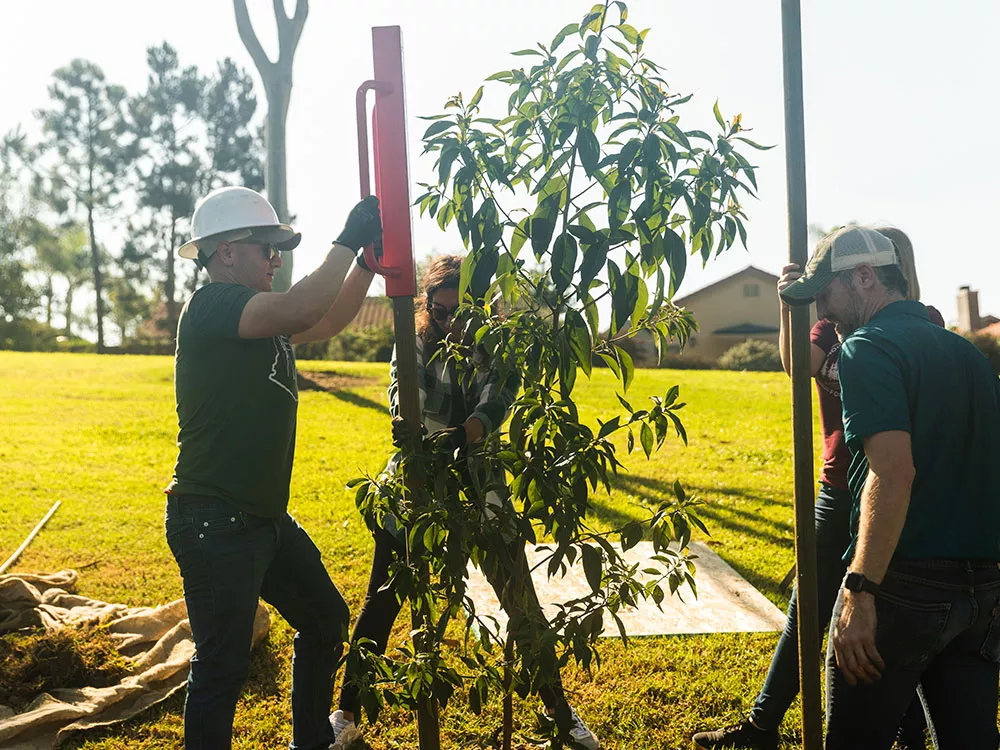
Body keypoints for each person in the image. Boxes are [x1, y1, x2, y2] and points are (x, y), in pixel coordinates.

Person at [328, 255, 600, 750]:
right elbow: (401, 394)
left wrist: (466, 432)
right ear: (429, 305)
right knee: (384, 598)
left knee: (521, 602)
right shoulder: (412, 341)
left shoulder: (499, 349)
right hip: (417, 489)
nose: (453, 322)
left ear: (484, 307)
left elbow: (496, 403)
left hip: (483, 488)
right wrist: (414, 428)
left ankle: (562, 716)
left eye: (464, 312)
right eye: (442, 310)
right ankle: (344, 713)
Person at [693, 227, 944, 750]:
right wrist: (793, 305)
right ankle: (764, 724)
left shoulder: (923, 324)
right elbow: (796, 367)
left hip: (893, 483)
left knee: (901, 605)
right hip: (838, 485)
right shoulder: (831, 325)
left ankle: (910, 729)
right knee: (810, 605)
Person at [165, 185, 383, 750]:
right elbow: (303, 306)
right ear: (227, 252)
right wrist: (345, 240)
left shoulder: (264, 319)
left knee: (325, 619)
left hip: (261, 518)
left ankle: (310, 742)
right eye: (268, 249)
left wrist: (364, 262)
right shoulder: (211, 305)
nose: (277, 260)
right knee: (223, 666)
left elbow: (328, 319)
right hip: (212, 519)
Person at [780, 225, 1000, 749]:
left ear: (864, 276)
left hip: (902, 589)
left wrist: (860, 590)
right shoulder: (968, 354)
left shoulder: (868, 348)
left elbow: (892, 472)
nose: (826, 311)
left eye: (827, 293)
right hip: (982, 595)